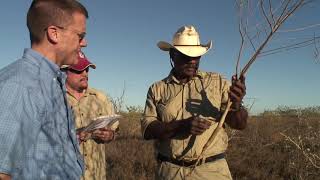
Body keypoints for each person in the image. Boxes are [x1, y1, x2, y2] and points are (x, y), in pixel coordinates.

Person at [141, 25, 248, 180]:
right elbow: (148, 130)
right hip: (170, 172)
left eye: (196, 56)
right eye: (185, 55)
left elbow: (240, 124)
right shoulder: (157, 89)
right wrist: (182, 126)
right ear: (172, 54)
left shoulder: (217, 82)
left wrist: (237, 105)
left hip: (212, 172)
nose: (192, 61)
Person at [0, 0, 88, 179]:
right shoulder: (22, 85)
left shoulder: (51, 81)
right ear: (54, 33)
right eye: (80, 35)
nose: (84, 43)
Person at [65, 51, 116, 180]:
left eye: (87, 69)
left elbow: (115, 132)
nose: (85, 74)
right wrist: (73, 137)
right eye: (78, 70)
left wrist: (110, 135)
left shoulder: (100, 98)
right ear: (65, 71)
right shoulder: (55, 99)